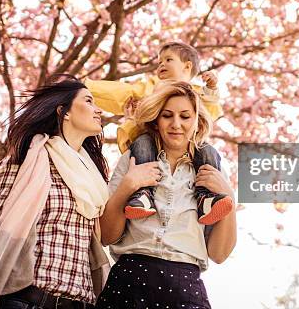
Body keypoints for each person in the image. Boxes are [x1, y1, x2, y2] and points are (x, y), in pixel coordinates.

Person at [0, 75, 110, 309]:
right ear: (65, 112)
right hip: (29, 299)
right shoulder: (27, 161)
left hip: (81, 301)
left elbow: (107, 236)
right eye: (89, 101)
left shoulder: (95, 177)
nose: (99, 110)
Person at [96, 81, 237, 309]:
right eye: (167, 116)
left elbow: (219, 254)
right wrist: (127, 187)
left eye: (185, 116)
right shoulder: (133, 159)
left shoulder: (211, 170)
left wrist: (228, 195)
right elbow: (107, 236)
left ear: (197, 121)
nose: (176, 124)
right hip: (129, 281)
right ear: (156, 120)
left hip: (184, 288)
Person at [85, 42, 233, 225]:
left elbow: (211, 111)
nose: (161, 64)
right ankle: (143, 195)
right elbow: (121, 93)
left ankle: (208, 198)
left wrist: (211, 87)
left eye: (168, 60)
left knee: (208, 151)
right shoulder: (152, 88)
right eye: (159, 61)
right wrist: (88, 89)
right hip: (151, 139)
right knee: (142, 145)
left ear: (187, 66)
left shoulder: (196, 94)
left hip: (188, 145)